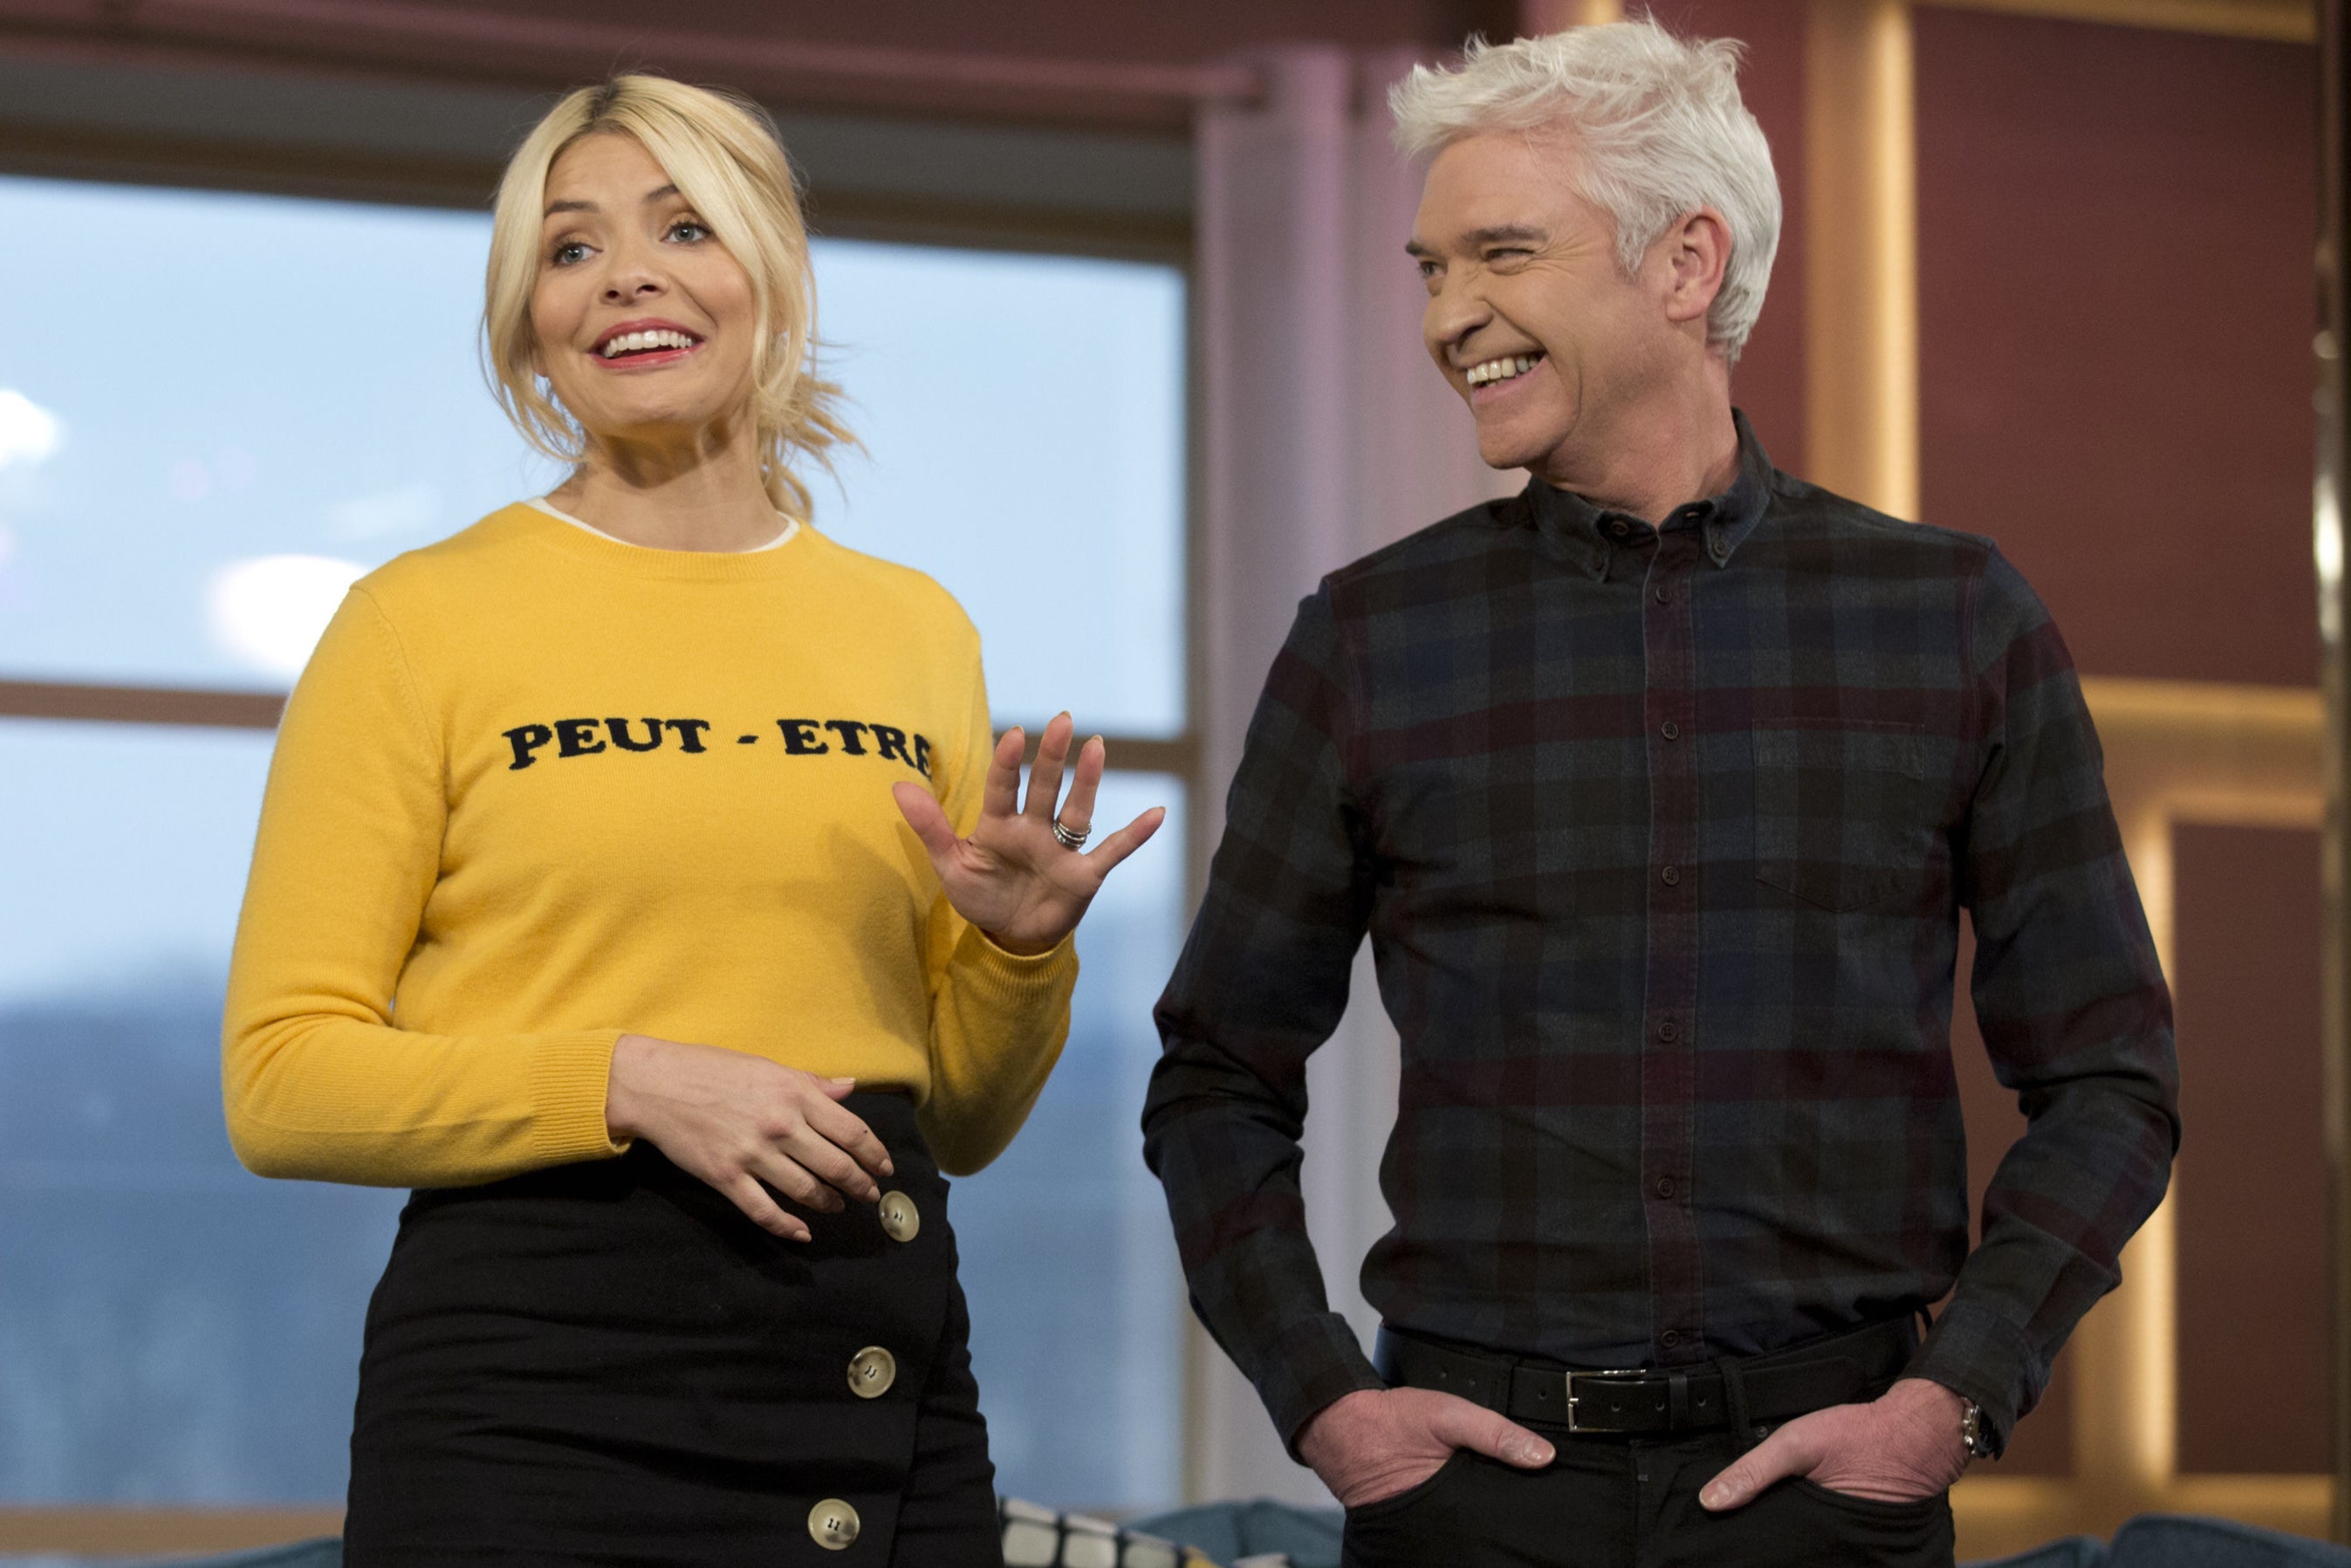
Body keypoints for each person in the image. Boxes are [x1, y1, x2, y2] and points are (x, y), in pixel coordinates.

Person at [1141, 22, 2177, 1568]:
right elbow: (1215, 1076)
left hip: (1829, 1497)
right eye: (1429, 268)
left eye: (1498, 252)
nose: (1448, 316)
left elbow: (2110, 1079)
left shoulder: (1957, 618)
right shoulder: (1369, 637)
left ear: (1686, 262)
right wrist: (1327, 1407)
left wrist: (1950, 1400)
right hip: (1468, 1500)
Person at [223, 74, 1161, 1567]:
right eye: (570, 245)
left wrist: (1022, 955)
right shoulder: (416, 622)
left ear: (766, 270)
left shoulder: (910, 628)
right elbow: (280, 1081)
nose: (628, 276)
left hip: (873, 1351)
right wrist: (630, 1081)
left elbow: (965, 1124)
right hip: (532, 1388)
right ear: (529, 311)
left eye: (681, 227)